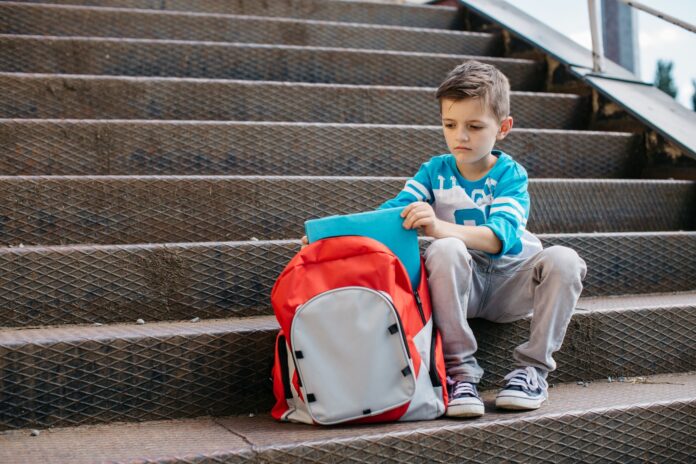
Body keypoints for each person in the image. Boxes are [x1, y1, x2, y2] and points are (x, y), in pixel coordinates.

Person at [302, 60, 586, 419]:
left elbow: (500, 238)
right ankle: (460, 373)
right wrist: (328, 241)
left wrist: (436, 225)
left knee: (565, 260)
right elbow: (389, 216)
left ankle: (532, 371)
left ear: (503, 128)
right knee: (446, 250)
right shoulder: (435, 170)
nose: (460, 137)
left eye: (474, 126)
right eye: (450, 125)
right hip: (460, 285)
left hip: (511, 285)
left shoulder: (510, 174)